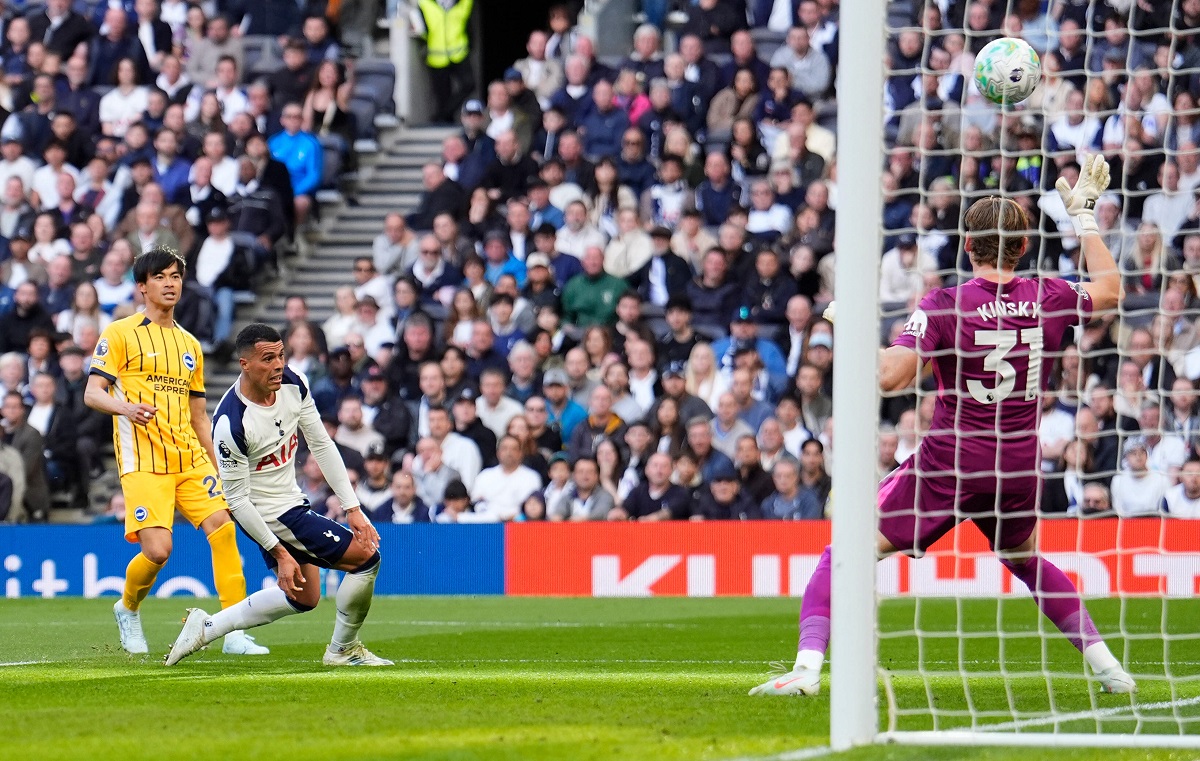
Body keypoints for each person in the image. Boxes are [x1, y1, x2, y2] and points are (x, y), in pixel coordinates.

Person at [752, 155, 1135, 696]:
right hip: (1018, 467)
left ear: (966, 246)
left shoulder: (944, 306)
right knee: (1026, 563)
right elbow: (1112, 290)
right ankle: (1110, 670)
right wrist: (1086, 219)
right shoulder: (1048, 296)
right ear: (1022, 247)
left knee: (844, 552)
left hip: (949, 465)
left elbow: (888, 378)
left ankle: (808, 671)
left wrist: (856, 326)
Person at [167, 324, 391, 667]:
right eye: (267, 358)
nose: (278, 365)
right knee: (366, 559)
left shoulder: (293, 383)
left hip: (292, 501)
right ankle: (343, 650)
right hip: (270, 514)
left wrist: (352, 508)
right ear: (244, 365)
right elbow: (237, 500)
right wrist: (278, 550)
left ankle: (207, 627)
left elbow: (321, 444)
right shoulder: (231, 423)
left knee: (305, 597)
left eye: (281, 355)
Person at [84, 248, 265, 657]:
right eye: (161, 277)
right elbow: (92, 393)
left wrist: (222, 468)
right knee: (158, 551)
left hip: (188, 457)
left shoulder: (189, 345)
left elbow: (200, 416)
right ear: (142, 286)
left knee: (223, 527)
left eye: (176, 276)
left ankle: (233, 630)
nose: (170, 284)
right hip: (143, 462)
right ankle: (127, 607)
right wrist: (127, 408)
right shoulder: (119, 334)